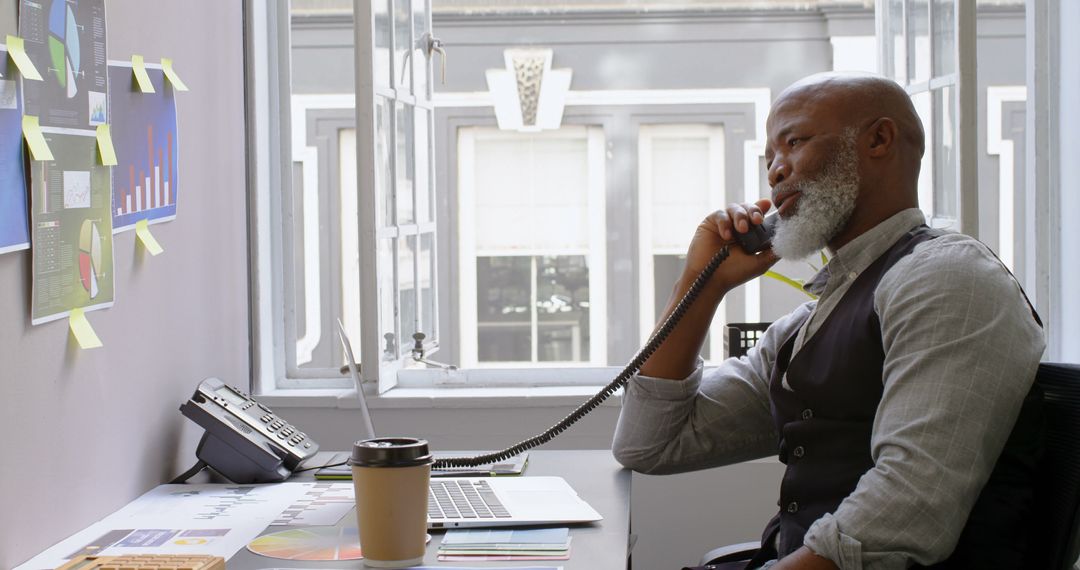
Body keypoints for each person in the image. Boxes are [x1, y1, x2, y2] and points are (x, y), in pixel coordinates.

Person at [612, 72, 1045, 570]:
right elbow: (651, 443)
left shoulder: (946, 278)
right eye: (769, 156)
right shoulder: (814, 318)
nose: (775, 172)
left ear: (878, 140)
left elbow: (908, 505)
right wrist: (700, 282)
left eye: (793, 142)